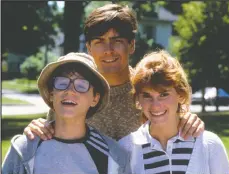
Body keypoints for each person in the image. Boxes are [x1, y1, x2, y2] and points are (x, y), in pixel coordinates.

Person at [23, 3, 204, 141]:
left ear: (131, 45)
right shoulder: (76, 92)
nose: (108, 50)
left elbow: (173, 118)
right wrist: (38, 128)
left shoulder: (147, 89)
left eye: (116, 40)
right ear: (88, 47)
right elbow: (51, 134)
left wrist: (188, 119)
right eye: (99, 41)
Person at [2, 52, 131, 174]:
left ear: (94, 99)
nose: (70, 91)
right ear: (52, 94)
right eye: (62, 83)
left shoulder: (113, 155)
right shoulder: (24, 149)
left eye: (81, 85)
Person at [119, 50, 229, 174]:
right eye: (146, 95)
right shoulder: (125, 149)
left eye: (164, 94)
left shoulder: (209, 145)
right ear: (138, 99)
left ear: (180, 95)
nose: (155, 105)